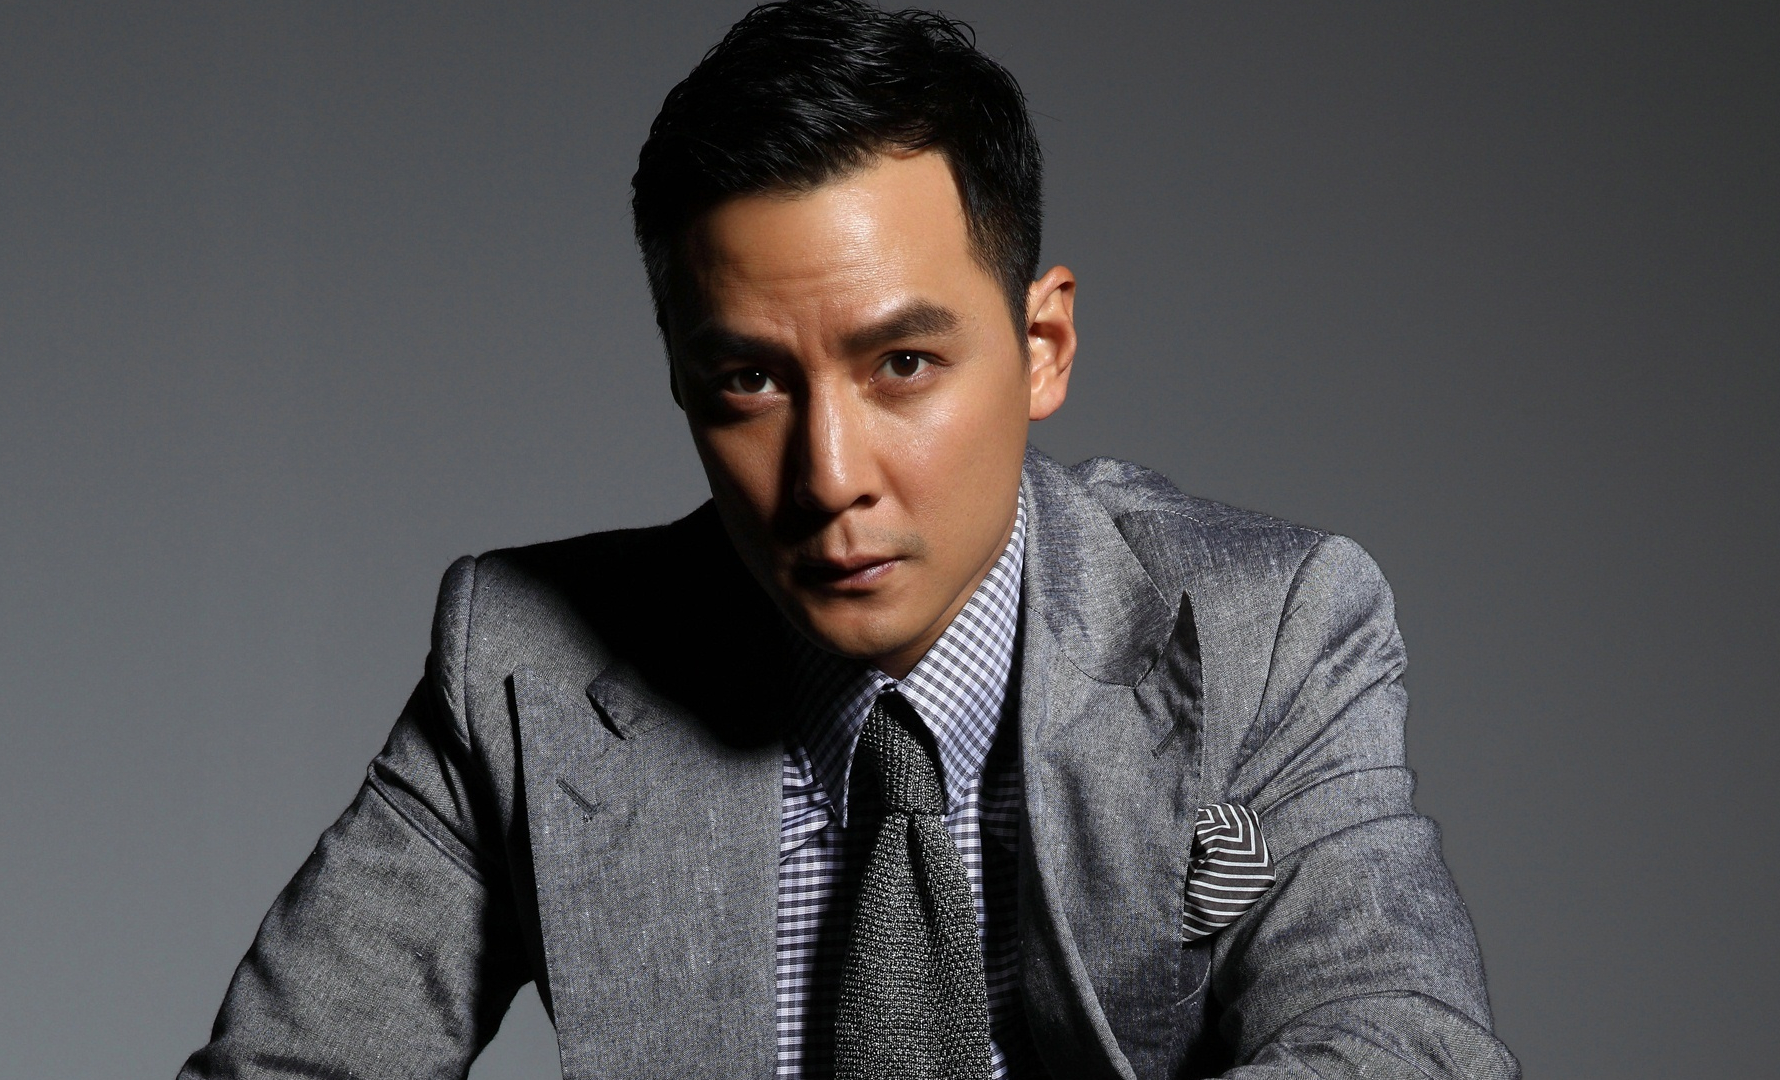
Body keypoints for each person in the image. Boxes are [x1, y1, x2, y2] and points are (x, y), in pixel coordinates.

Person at [180, 2, 1517, 1077]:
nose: (828, 477)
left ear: (1042, 346)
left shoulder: (1264, 629)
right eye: (749, 382)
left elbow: (1407, 1046)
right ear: (680, 380)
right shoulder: (524, 669)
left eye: (903, 364)